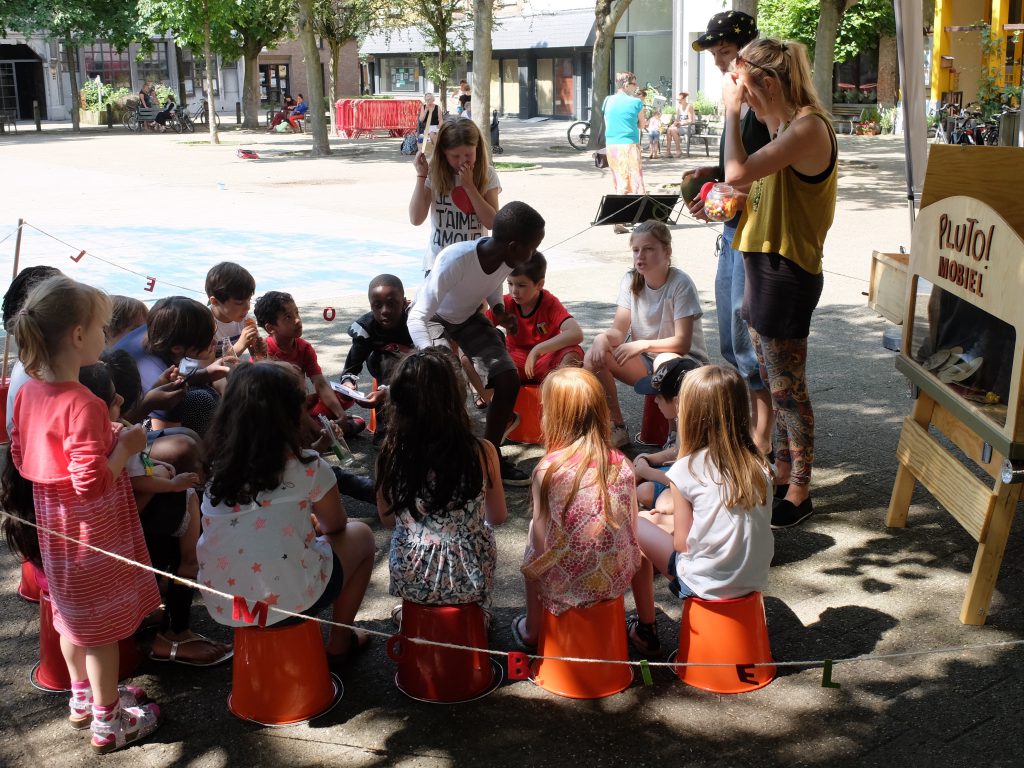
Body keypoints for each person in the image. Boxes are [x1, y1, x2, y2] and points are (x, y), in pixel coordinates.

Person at [7, 276, 162, 753]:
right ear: (77, 336)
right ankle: (109, 721)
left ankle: (84, 700)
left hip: (56, 527)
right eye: (101, 327)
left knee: (72, 620)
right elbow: (92, 481)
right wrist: (129, 445)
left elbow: (21, 452)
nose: (105, 336)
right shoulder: (84, 402)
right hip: (91, 530)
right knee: (101, 634)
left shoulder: (30, 390)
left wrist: (104, 438)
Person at [723, 38, 838, 527]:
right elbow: (750, 183)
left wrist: (729, 117)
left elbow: (739, 168)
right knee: (772, 380)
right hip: (762, 263)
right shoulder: (783, 123)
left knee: (789, 388)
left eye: (746, 88)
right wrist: (726, 195)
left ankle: (802, 488)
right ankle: (782, 469)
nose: (742, 97)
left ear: (769, 82)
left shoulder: (809, 126)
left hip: (787, 271)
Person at [198, 362, 376, 671]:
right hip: (292, 603)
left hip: (227, 605)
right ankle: (340, 642)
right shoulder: (309, 467)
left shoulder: (217, 470)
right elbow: (336, 525)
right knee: (360, 535)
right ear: (291, 416)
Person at [630, 365, 774, 656]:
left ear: (692, 415)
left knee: (634, 522)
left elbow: (682, 543)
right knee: (652, 519)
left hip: (705, 582)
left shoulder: (686, 469)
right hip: (755, 578)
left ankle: (646, 629)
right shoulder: (760, 466)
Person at [684, 11, 774, 460]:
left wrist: (730, 190)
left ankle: (762, 438)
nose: (720, 63)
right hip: (732, 230)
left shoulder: (757, 102)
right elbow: (737, 168)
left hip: (753, 235)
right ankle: (747, 431)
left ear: (748, 51)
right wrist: (712, 175)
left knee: (747, 342)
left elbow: (766, 173)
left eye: (724, 53)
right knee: (729, 339)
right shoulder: (736, 100)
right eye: (716, 54)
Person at [407, 201, 546, 486]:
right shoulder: (456, 261)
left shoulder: (505, 259)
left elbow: (491, 284)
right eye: (531, 247)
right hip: (433, 317)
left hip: (468, 315)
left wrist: (498, 312)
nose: (533, 254)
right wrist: (431, 357)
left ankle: (490, 453)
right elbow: (417, 316)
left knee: (507, 379)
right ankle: (450, 455)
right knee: (447, 382)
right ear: (513, 246)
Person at [510, 368, 641, 651]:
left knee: (533, 546)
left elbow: (541, 542)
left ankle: (533, 629)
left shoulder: (548, 470)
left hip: (569, 583)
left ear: (554, 416)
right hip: (617, 575)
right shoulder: (622, 463)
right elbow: (633, 525)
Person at [376, 348, 507, 620]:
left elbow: (388, 520)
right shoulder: (482, 451)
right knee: (480, 534)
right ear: (456, 398)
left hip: (411, 580)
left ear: (398, 403)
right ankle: (475, 617)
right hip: (470, 580)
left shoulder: (390, 455)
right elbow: (498, 515)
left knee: (404, 536)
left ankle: (414, 615)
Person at [584, 220, 709, 449]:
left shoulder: (680, 283)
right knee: (593, 356)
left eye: (649, 249)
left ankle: (674, 436)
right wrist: (602, 338)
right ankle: (617, 425)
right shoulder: (631, 280)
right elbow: (618, 331)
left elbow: (682, 343)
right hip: (647, 359)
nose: (640, 255)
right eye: (636, 250)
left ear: (667, 252)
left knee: (665, 360)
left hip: (686, 363)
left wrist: (641, 345)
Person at [113, 295, 234, 434]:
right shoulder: (158, 376)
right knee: (201, 400)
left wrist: (205, 374)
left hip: (137, 407)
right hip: (125, 427)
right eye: (206, 338)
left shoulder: (160, 331)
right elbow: (165, 435)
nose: (214, 342)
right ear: (177, 348)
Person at [254, 290, 366, 437]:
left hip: (302, 407)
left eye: (297, 313)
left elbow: (320, 384)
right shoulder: (263, 353)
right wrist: (321, 431)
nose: (297, 320)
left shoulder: (304, 347)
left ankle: (326, 428)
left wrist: (341, 416)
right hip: (279, 413)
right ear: (270, 328)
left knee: (344, 395)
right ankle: (321, 431)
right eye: (288, 317)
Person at [409, 117, 501, 276]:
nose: (462, 161)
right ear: (444, 153)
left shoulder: (487, 174)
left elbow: (492, 223)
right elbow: (416, 219)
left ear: (477, 148)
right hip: (438, 265)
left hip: (474, 265)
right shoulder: (434, 173)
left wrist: (470, 187)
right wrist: (421, 176)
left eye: (468, 154)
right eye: (455, 156)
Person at [487, 251, 584, 383]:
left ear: (539, 284)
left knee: (573, 353)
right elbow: (479, 326)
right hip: (514, 362)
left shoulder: (549, 302)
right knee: (476, 355)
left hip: (547, 359)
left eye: (521, 285)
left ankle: (556, 395)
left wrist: (537, 350)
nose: (514, 291)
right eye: (510, 283)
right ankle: (494, 402)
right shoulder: (504, 303)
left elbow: (576, 333)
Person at [632, 355, 699, 514]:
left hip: (689, 484)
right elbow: (678, 450)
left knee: (651, 496)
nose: (655, 401)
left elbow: (684, 481)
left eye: (659, 396)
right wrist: (648, 458)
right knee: (632, 474)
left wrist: (646, 471)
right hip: (679, 477)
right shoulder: (683, 416)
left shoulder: (697, 427)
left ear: (677, 401)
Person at [341, 274, 414, 390]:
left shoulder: (416, 321)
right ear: (371, 306)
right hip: (383, 368)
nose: (384, 311)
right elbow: (350, 370)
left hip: (416, 370)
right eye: (377, 306)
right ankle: (387, 398)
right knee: (386, 360)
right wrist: (348, 384)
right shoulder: (365, 328)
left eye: (391, 303)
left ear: (404, 302)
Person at [205, 261, 261, 359]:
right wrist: (241, 344)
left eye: (249, 299)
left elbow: (257, 358)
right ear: (215, 302)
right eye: (239, 303)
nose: (248, 307)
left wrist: (259, 350)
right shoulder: (204, 325)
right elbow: (208, 368)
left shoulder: (245, 319)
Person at [602, 71, 646, 195]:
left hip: (611, 145)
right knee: (635, 182)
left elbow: (608, 121)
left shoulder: (607, 100)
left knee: (619, 180)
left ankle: (620, 208)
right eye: (634, 84)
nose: (636, 87)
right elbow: (642, 125)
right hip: (629, 144)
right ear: (626, 85)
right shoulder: (636, 102)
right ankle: (637, 210)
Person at [665, 92, 696, 158]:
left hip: (689, 128)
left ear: (684, 99)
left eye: (680, 99)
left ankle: (678, 151)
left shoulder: (689, 107)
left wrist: (681, 123)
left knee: (673, 130)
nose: (679, 101)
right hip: (681, 127)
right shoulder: (679, 107)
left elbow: (690, 120)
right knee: (669, 129)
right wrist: (674, 124)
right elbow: (677, 119)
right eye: (678, 99)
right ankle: (668, 151)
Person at [416, 93, 441, 159]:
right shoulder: (423, 107)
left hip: (435, 127)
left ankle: (437, 153)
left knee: (433, 135)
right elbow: (421, 119)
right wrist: (426, 110)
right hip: (426, 127)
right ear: (425, 100)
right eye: (427, 99)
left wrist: (440, 125)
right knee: (422, 138)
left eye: (430, 99)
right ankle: (435, 153)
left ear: (433, 99)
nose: (428, 100)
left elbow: (441, 120)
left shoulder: (437, 107)